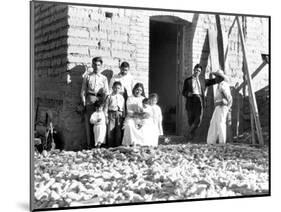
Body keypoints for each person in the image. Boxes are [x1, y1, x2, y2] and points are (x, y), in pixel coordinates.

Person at [182, 64, 223, 140]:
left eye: (199, 71)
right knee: (191, 119)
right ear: (194, 70)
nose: (197, 72)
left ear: (200, 72)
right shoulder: (187, 80)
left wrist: (220, 78)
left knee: (198, 119)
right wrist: (187, 93)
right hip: (191, 100)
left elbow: (213, 81)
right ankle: (191, 137)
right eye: (196, 70)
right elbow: (183, 92)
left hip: (199, 100)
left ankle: (189, 133)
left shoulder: (203, 81)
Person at [81, 57, 109, 148]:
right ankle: (90, 145)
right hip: (90, 99)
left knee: (100, 124)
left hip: (100, 100)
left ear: (101, 66)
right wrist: (84, 103)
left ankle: (99, 145)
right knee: (90, 123)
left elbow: (106, 92)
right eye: (95, 64)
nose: (97, 67)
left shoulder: (104, 78)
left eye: (98, 65)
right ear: (92, 65)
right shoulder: (87, 76)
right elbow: (83, 91)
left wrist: (104, 105)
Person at [207, 70, 232, 144]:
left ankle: (222, 141)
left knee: (221, 123)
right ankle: (211, 141)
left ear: (221, 78)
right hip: (218, 106)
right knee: (213, 122)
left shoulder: (223, 85)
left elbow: (229, 97)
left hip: (222, 106)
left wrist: (228, 106)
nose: (216, 79)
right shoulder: (219, 85)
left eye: (217, 77)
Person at [104, 81, 125, 147]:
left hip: (119, 114)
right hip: (111, 114)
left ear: (120, 89)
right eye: (115, 88)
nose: (116, 89)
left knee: (118, 131)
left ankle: (117, 146)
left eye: (118, 88)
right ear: (112, 88)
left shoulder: (121, 97)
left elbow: (123, 107)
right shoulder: (109, 96)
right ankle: (110, 146)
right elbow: (106, 107)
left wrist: (123, 116)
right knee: (110, 130)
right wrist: (106, 117)